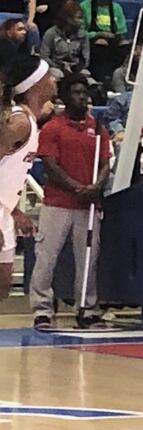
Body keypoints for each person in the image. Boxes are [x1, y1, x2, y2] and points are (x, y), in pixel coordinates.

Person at [31, 73, 112, 329]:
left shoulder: (97, 129)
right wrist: (78, 187)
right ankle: (42, 309)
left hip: (88, 205)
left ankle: (86, 308)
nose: (82, 98)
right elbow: (51, 166)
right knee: (47, 256)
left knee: (88, 257)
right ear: (64, 98)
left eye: (84, 93)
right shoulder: (53, 128)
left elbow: (105, 162)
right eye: (76, 93)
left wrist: (97, 186)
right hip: (57, 203)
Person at [0, 56, 56, 313]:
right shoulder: (18, 122)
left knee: (2, 287)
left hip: (4, 210)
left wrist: (14, 210)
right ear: (35, 85)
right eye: (49, 76)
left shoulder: (29, 122)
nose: (54, 80)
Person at [81, 0, 130, 86]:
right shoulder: (85, 6)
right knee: (101, 43)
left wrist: (115, 35)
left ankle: (116, 77)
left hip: (112, 40)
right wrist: (98, 34)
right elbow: (80, 31)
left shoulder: (116, 7)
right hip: (92, 40)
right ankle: (100, 78)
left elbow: (122, 30)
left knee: (125, 44)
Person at [39, 0, 91, 84]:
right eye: (79, 18)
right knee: (56, 75)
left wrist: (76, 68)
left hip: (76, 68)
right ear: (68, 18)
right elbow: (44, 57)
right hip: (55, 68)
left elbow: (86, 59)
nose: (82, 21)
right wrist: (60, 66)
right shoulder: (51, 33)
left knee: (87, 77)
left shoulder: (83, 35)